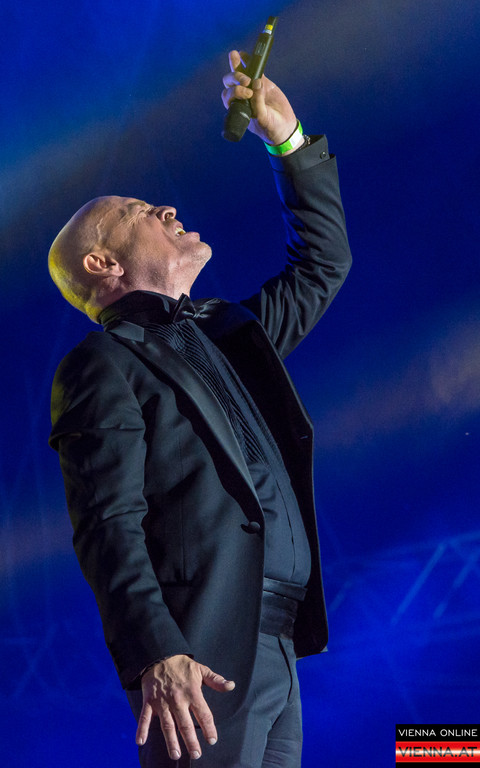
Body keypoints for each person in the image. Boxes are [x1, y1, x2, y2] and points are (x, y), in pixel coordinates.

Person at [48, 49, 352, 768]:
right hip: (202, 656)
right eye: (136, 212)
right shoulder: (103, 365)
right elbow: (107, 524)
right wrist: (156, 650)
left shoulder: (229, 336)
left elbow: (323, 265)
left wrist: (286, 137)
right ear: (103, 264)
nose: (165, 209)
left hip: (278, 644)